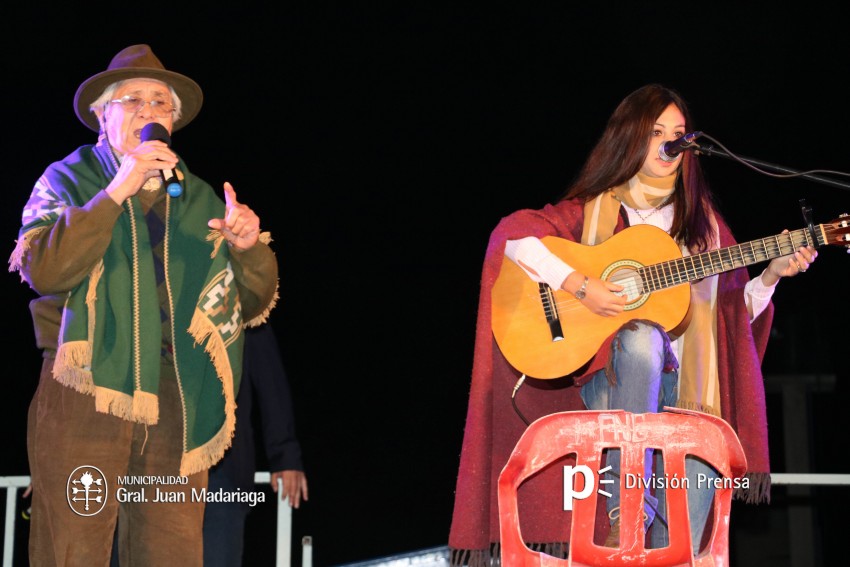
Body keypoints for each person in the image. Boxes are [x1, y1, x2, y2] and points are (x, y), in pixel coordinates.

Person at [448, 84, 817, 564]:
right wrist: (581, 285)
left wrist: (770, 275)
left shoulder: (705, 230)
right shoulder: (593, 210)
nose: (670, 142)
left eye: (678, 133)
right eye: (656, 132)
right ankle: (628, 505)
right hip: (615, 386)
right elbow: (513, 240)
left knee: (682, 553)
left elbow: (732, 325)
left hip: (690, 400)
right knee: (642, 337)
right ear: (629, 138)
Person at [9, 44, 279, 566]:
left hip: (176, 397)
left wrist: (248, 250)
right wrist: (118, 190)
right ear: (101, 115)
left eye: (160, 104)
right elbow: (45, 268)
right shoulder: (68, 180)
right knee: (72, 548)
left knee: (172, 553)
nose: (148, 111)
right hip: (84, 386)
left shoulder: (199, 199)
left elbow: (245, 306)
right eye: (132, 99)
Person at [203, 322, 309, 567]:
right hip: (156, 470)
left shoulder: (239, 302)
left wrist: (285, 455)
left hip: (223, 470)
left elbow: (268, 373)